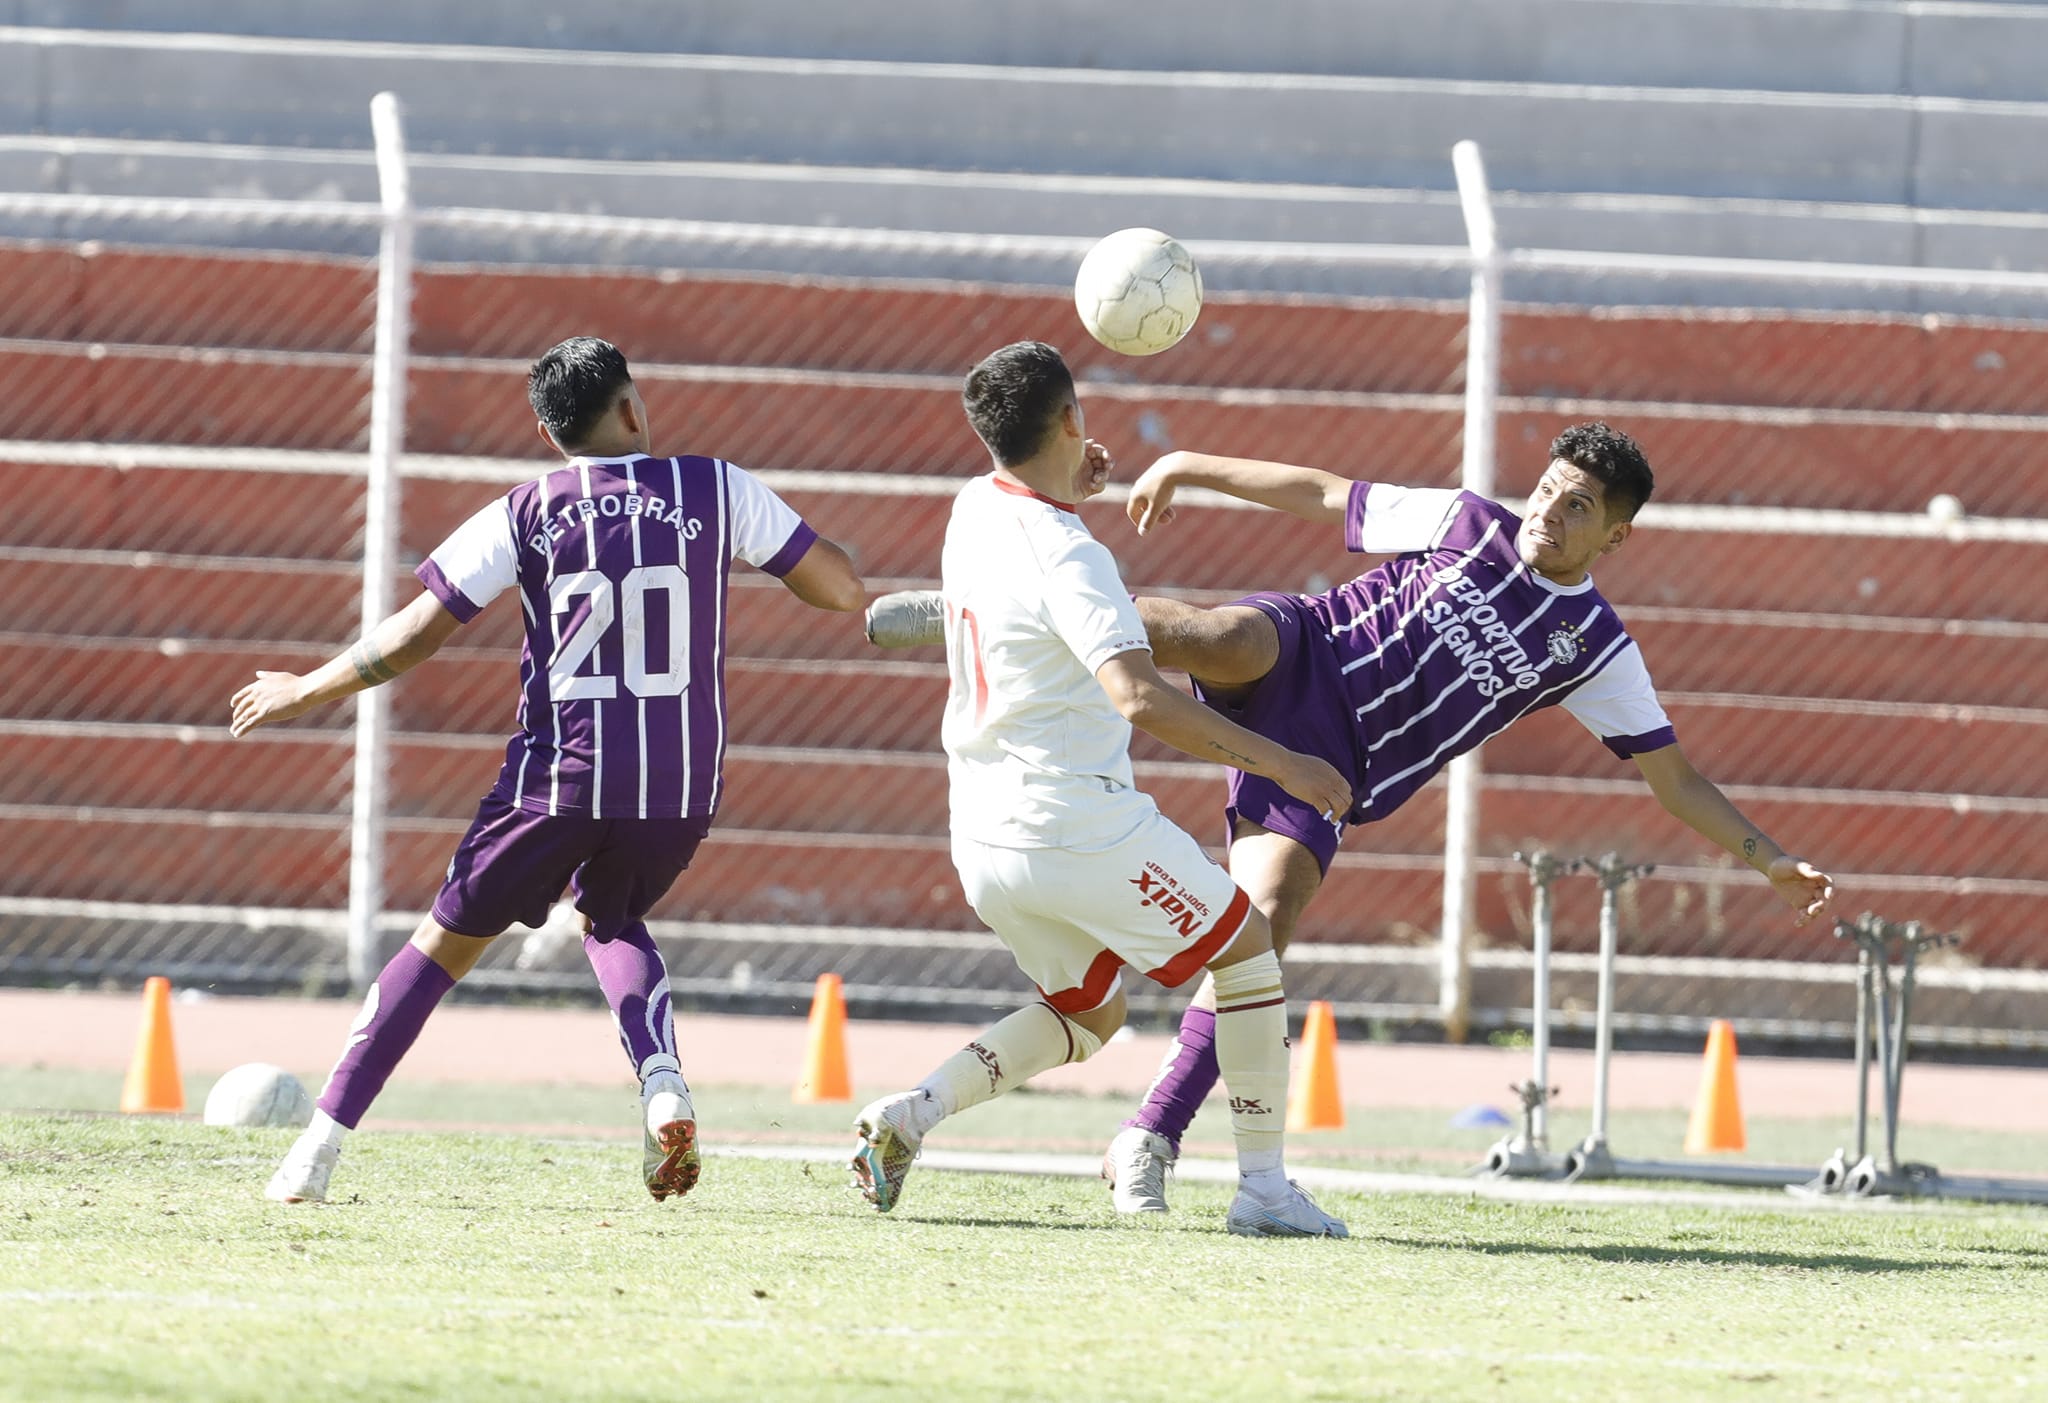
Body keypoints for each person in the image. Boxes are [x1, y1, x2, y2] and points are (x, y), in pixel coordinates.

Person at [866, 422, 1835, 1214]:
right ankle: (988, 610)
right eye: (1545, 487)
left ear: (1612, 537)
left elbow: (1671, 779)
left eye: (1576, 504)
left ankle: (1146, 1136)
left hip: (1335, 762)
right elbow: (1321, 492)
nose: (1548, 509)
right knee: (1216, 631)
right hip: (1307, 647)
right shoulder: (1466, 520)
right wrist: (1186, 464)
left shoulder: (1593, 646)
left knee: (1262, 923)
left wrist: (1769, 858)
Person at [231, 336, 865, 1205]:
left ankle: (315, 1151)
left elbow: (419, 630)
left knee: (440, 948)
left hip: (558, 779)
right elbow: (837, 588)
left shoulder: (525, 509)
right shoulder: (717, 488)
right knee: (611, 919)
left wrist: (307, 688)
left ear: (545, 429)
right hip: (678, 787)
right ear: (634, 408)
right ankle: (663, 1083)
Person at [847, 341, 1352, 1237]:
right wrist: (1287, 764)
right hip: (1072, 823)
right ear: (1074, 419)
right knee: (1246, 954)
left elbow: (1027, 577)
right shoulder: (1072, 555)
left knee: (1090, 1009)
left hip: (982, 832)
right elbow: (1138, 693)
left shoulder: (975, 505)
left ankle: (909, 1116)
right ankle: (1265, 1186)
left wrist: (1068, 483)